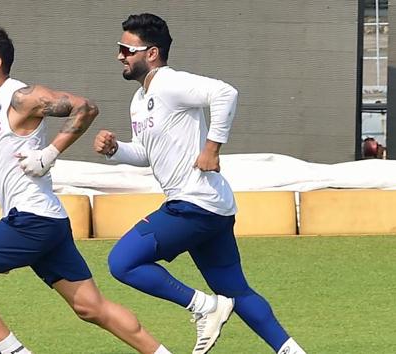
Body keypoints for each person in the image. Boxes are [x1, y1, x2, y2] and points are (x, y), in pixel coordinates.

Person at [0, 23, 171, 354]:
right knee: (91, 307)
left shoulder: (20, 97)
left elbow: (85, 107)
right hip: (44, 221)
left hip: (32, 221)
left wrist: (50, 154)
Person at [94, 13, 306, 354]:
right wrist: (116, 150)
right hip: (210, 207)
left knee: (122, 262)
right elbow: (147, 154)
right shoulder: (139, 100)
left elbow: (226, 93)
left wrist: (212, 147)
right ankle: (292, 351)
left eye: (126, 48)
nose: (120, 55)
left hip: (193, 204)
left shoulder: (169, 82)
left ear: (151, 53)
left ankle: (204, 307)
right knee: (237, 292)